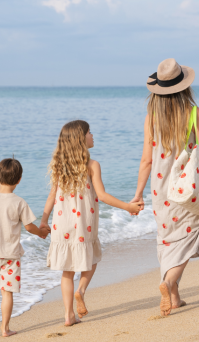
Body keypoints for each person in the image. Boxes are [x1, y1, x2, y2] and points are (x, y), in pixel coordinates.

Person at [130, 58, 199, 316]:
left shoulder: (151, 118)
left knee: (167, 239)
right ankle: (168, 283)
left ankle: (174, 297)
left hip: (159, 188)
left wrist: (137, 193)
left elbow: (145, 160)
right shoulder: (193, 113)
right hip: (185, 188)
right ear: (184, 87)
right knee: (195, 229)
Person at [40, 120, 143, 326]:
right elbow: (102, 196)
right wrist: (128, 207)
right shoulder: (92, 165)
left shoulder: (60, 166)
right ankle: (82, 290)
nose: (92, 135)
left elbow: (52, 196)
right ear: (81, 139)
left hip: (62, 225)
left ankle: (69, 316)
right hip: (83, 224)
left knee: (67, 272)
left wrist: (43, 220)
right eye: (89, 132)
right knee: (92, 259)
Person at [0, 157, 50, 337]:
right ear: (19, 180)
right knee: (7, 292)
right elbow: (29, 227)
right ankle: (5, 329)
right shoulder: (19, 202)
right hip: (11, 256)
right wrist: (41, 233)